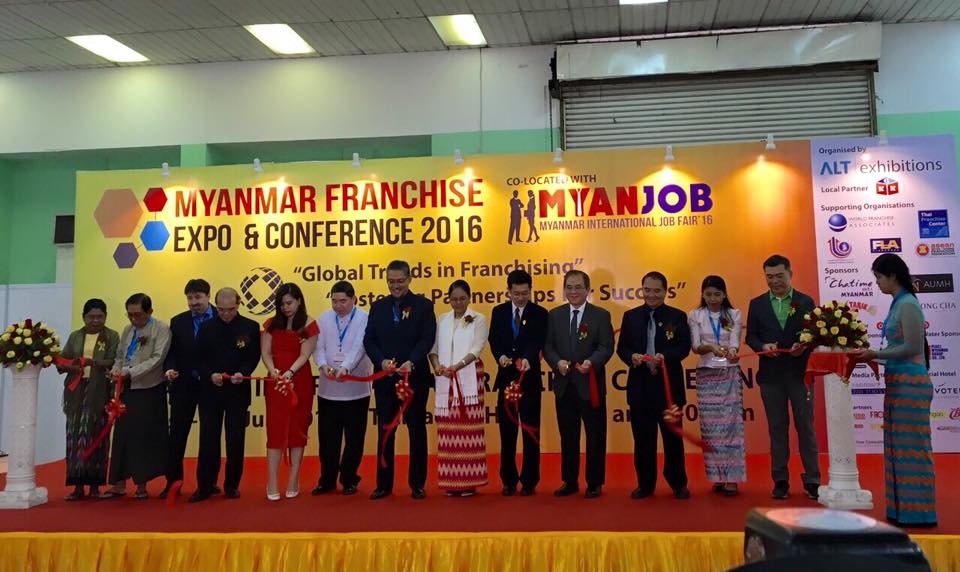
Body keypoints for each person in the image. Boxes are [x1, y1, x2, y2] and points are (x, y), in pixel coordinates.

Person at [852, 253, 936, 527]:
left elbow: (912, 347)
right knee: (897, 447)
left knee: (913, 448)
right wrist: (874, 355)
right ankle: (901, 511)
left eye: (879, 277)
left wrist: (876, 354)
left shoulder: (908, 304)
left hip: (911, 385)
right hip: (898, 382)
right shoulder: (897, 303)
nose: (877, 283)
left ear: (892, 276)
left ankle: (919, 514)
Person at [745, 254, 819, 500]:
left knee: (805, 427)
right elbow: (751, 336)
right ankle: (780, 480)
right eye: (769, 277)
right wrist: (762, 346)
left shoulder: (805, 302)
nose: (774, 281)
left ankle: (812, 480)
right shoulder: (757, 304)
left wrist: (803, 345)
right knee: (777, 429)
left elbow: (816, 334)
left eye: (779, 276)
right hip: (771, 377)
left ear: (790, 274)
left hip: (800, 375)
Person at [363, 260, 437, 500]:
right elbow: (369, 340)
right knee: (386, 431)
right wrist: (381, 361)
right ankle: (383, 485)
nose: (395, 286)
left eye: (400, 281)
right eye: (391, 281)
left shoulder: (424, 306)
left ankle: (417, 484)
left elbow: (427, 339)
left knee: (417, 430)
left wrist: (411, 362)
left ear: (409, 279)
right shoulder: (378, 307)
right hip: (386, 379)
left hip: (414, 378)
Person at [617, 271, 692, 500]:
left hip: (669, 389)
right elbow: (622, 348)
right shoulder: (630, 317)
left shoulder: (677, 316)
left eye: (657, 291)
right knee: (643, 441)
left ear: (666, 291)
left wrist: (665, 357)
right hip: (640, 389)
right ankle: (645, 484)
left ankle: (678, 483)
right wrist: (632, 357)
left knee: (673, 439)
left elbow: (684, 347)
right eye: (647, 290)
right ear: (641, 290)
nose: (651, 295)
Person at [543, 269, 614, 498]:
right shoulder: (554, 315)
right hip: (564, 385)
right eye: (569, 287)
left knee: (595, 435)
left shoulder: (600, 315)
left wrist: (591, 363)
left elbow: (606, 346)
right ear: (564, 290)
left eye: (578, 287)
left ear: (588, 290)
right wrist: (557, 363)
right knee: (568, 436)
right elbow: (548, 347)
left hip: (590, 384)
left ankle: (594, 482)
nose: (573, 292)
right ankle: (570, 481)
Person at [192, 287, 261, 502]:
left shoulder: (250, 326)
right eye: (221, 309)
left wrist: (243, 372)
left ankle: (232, 485)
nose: (226, 314)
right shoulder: (206, 327)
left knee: (235, 440)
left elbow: (253, 357)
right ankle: (205, 485)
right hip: (210, 392)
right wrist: (209, 375)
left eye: (230, 309)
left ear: (238, 304)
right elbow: (198, 359)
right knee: (208, 439)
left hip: (237, 392)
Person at [100, 293, 172, 500]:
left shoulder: (161, 329)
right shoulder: (127, 330)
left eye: (138, 315)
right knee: (122, 436)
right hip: (126, 389)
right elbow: (120, 356)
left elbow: (157, 359)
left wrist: (130, 372)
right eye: (130, 315)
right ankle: (119, 484)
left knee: (142, 437)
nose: (133, 319)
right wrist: (116, 370)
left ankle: (141, 485)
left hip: (149, 389)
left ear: (150, 312)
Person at [489, 268, 548, 496]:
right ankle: (509, 480)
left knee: (531, 432)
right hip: (506, 380)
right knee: (507, 432)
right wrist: (500, 356)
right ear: (508, 291)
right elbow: (494, 340)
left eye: (525, 293)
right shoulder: (499, 312)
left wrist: (527, 358)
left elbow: (538, 340)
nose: (521, 297)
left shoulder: (540, 313)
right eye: (516, 293)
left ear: (531, 291)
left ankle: (530, 480)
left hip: (529, 381)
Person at [312, 280, 373, 497]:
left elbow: (360, 346)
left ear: (354, 299)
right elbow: (318, 347)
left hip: (356, 390)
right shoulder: (324, 318)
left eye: (343, 301)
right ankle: (327, 480)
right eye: (334, 301)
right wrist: (322, 365)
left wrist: (346, 367)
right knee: (328, 439)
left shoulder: (365, 318)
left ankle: (349, 478)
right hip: (328, 390)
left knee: (354, 439)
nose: (338, 306)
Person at [429, 280, 489, 497]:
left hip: (469, 379)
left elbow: (477, 348)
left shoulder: (478, 319)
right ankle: (451, 481)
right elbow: (433, 349)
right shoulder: (442, 320)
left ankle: (470, 481)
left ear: (469, 298)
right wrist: (437, 367)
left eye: (462, 298)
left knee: (469, 430)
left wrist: (458, 366)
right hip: (446, 380)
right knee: (449, 431)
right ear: (448, 299)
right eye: (454, 299)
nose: (458, 303)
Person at [57, 299, 120, 501]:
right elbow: (62, 359)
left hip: (99, 392)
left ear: (105, 317)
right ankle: (77, 486)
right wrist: (70, 365)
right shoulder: (75, 336)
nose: (95, 320)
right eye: (91, 317)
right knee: (75, 437)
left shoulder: (111, 336)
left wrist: (93, 363)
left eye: (100, 316)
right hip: (76, 392)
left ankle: (94, 486)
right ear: (83, 317)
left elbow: (113, 361)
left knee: (97, 436)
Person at [688, 275, 745, 496]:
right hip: (706, 374)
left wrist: (732, 351)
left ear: (724, 295)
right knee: (711, 429)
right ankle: (718, 476)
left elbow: (734, 341)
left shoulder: (734, 314)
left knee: (731, 426)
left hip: (729, 372)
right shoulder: (695, 315)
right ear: (702, 294)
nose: (712, 298)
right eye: (708, 294)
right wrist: (711, 348)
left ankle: (733, 478)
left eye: (717, 294)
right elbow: (696, 346)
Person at [261, 282, 319, 501]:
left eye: (289, 303)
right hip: (276, 382)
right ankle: (272, 481)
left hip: (299, 381)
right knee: (275, 431)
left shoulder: (309, 324)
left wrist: (290, 372)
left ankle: (294, 479)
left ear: (299, 301)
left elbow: (305, 355)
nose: (285, 308)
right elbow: (266, 353)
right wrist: (272, 370)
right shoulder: (270, 324)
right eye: (282, 304)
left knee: (297, 429)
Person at [161, 278, 215, 499]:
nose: (194, 302)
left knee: (209, 437)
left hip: (212, 386)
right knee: (177, 436)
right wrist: (169, 369)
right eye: (190, 298)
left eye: (198, 297)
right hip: (183, 385)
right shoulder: (178, 321)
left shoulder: (220, 318)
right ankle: (173, 483)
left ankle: (207, 485)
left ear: (208, 296)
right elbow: (171, 352)